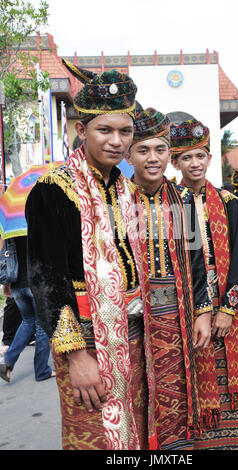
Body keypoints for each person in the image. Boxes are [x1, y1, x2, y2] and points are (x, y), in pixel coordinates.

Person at [25, 63, 162, 450]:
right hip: (86, 339)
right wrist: (76, 357)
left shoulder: (125, 188)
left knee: (134, 431)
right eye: (105, 130)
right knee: (95, 435)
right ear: (80, 131)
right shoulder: (52, 190)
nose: (117, 141)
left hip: (135, 336)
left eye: (125, 131)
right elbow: (46, 280)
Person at [125, 108, 213, 449]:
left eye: (160, 150)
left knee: (175, 394)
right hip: (131, 320)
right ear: (130, 154)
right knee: (135, 396)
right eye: (143, 150)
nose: (152, 158)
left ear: (168, 155)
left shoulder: (183, 201)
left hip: (177, 316)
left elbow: (195, 261)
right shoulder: (117, 201)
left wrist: (203, 311)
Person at [170, 118, 238, 450]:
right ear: (176, 162)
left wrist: (228, 309)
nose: (195, 163)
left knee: (227, 383)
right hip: (184, 308)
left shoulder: (228, 202)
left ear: (209, 159)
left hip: (224, 307)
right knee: (188, 379)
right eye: (187, 157)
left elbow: (237, 257)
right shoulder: (169, 203)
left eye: (200, 156)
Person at [0, 236, 54, 382]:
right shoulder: (34, 225)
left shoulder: (9, 230)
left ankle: (8, 362)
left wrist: (6, 284)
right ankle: (42, 370)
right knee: (42, 325)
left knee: (27, 322)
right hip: (35, 284)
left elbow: (4, 257)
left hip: (17, 285)